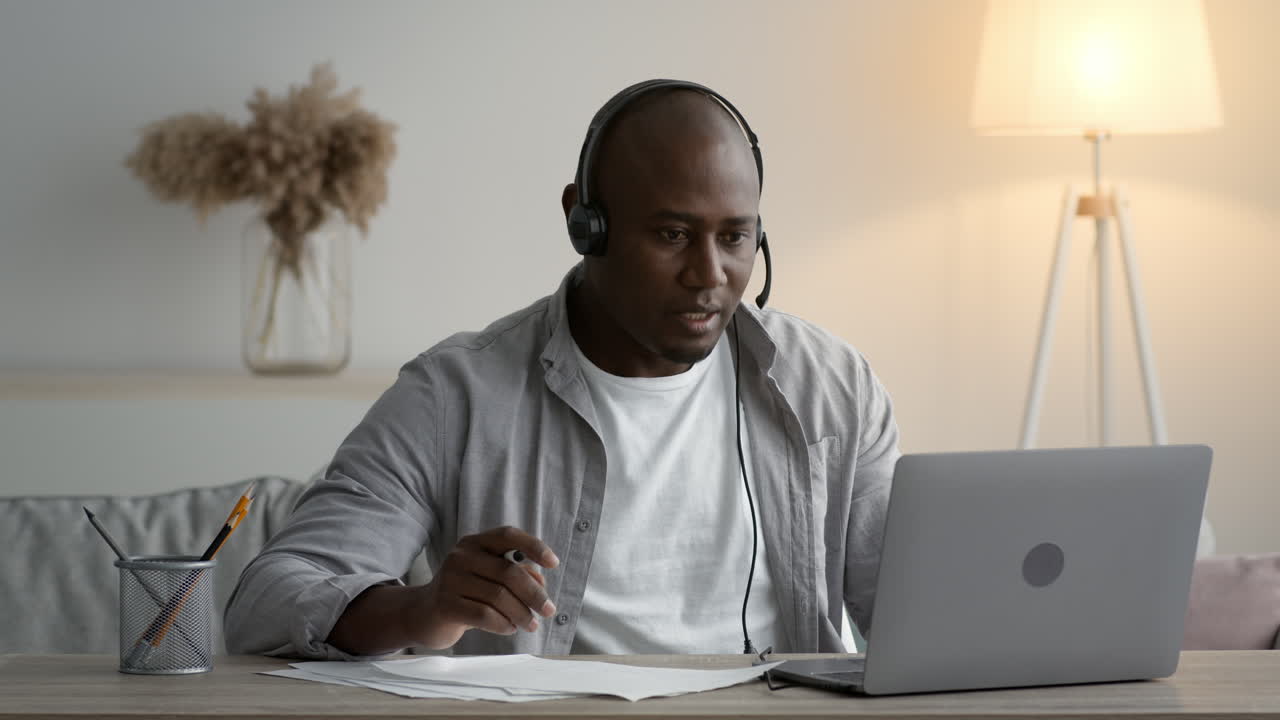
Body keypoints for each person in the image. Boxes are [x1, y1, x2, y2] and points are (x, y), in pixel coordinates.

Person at [224, 79, 901, 659]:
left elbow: (915, 616)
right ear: (586, 224)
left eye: (735, 237)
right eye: (671, 235)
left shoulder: (832, 389)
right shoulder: (455, 394)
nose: (709, 275)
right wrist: (422, 608)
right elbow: (269, 598)